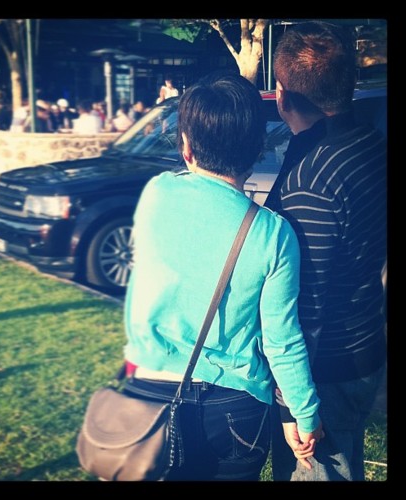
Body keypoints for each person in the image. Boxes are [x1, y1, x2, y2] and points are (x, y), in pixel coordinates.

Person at [122, 71, 323, 481]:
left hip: (149, 394)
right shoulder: (272, 232)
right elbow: (281, 340)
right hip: (235, 409)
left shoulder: (156, 193)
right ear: (258, 149)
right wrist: (302, 415)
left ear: (186, 147)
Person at [265, 21, 387, 481]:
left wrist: (293, 406)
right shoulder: (370, 143)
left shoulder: (310, 182)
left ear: (282, 96)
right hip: (364, 343)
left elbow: (303, 305)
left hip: (325, 370)